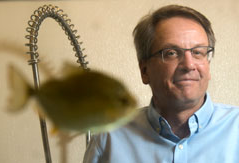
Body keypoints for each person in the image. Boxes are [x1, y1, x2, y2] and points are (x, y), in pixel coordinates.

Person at [83, 4, 239, 163]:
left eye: (198, 52)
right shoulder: (109, 138)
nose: (189, 65)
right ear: (145, 71)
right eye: (171, 53)